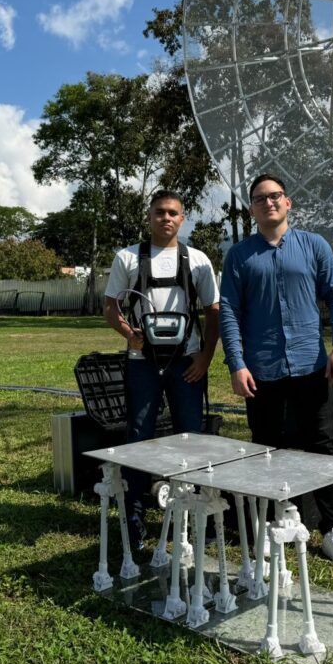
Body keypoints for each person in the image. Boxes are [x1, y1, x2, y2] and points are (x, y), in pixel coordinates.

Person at [219, 173, 333, 568]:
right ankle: (270, 523)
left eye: (275, 196)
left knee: (322, 446)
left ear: (288, 202)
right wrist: (237, 363)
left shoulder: (314, 246)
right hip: (262, 371)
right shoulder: (239, 256)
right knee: (265, 448)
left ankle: (332, 529)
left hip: (312, 365)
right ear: (252, 208)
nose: (269, 203)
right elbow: (229, 311)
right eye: (260, 199)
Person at [103, 190, 220, 549]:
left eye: (173, 213)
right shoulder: (128, 257)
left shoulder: (197, 260)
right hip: (142, 363)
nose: (166, 218)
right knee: (139, 436)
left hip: (187, 363)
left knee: (193, 435)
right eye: (159, 212)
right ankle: (135, 514)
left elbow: (213, 310)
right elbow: (110, 306)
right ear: (149, 217)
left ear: (182, 219)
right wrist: (128, 334)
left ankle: (201, 510)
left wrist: (205, 358)